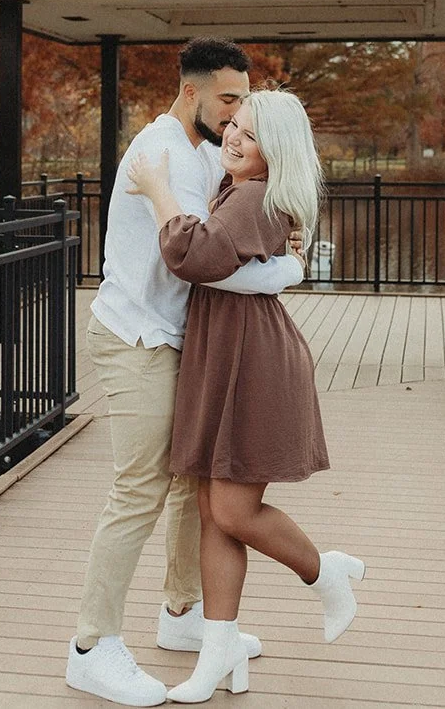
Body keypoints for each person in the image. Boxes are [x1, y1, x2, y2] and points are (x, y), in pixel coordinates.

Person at [66, 39, 306, 707]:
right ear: (192, 90)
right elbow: (198, 255)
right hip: (137, 335)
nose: (234, 120)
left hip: (181, 339)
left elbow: (236, 234)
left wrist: (283, 261)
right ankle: (91, 645)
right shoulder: (161, 153)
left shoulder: (207, 148)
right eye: (227, 102)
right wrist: (284, 270)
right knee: (140, 487)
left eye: (242, 108)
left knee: (190, 483)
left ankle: (181, 614)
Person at [125, 89, 365, 703]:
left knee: (231, 511)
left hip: (252, 363)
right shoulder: (242, 190)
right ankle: (218, 649)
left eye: (249, 134)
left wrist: (157, 190)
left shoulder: (255, 196)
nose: (232, 136)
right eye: (231, 124)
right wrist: (278, 270)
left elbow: (191, 255)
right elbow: (226, 261)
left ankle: (324, 571)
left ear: (274, 149)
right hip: (226, 355)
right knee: (214, 514)